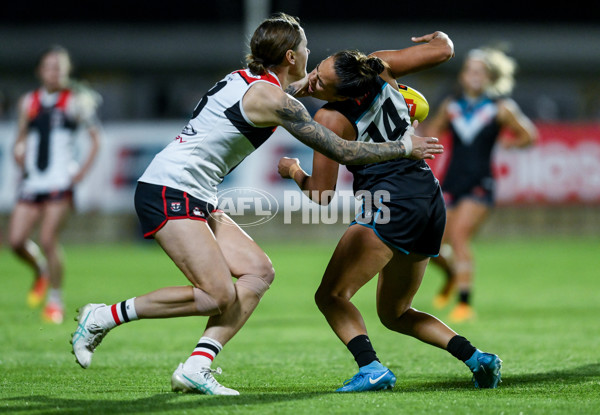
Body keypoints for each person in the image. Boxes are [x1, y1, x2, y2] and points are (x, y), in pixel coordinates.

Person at [70, 13, 443, 396]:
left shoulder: (252, 81)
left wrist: (320, 84)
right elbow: (342, 148)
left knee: (258, 272)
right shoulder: (271, 98)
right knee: (215, 294)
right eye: (305, 49)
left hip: (192, 191)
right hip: (171, 189)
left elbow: (292, 94)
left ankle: (198, 366)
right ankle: (103, 316)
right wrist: (403, 145)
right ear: (291, 56)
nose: (309, 53)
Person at [278, 31, 501, 392]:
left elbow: (321, 195)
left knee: (331, 296)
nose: (314, 80)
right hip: (428, 199)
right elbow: (443, 49)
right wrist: (439, 36)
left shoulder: (332, 118)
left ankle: (371, 369)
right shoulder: (379, 65)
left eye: (322, 81)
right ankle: (478, 359)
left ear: (342, 96)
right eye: (317, 69)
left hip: (386, 204)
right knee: (395, 313)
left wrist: (293, 172)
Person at [424, 47, 538, 323]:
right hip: (452, 180)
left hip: (481, 183)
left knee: (460, 237)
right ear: (463, 76)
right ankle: (452, 276)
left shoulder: (500, 108)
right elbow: (430, 133)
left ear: (490, 77)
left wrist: (510, 142)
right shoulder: (452, 107)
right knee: (433, 245)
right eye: (470, 70)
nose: (474, 76)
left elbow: (528, 136)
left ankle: (464, 303)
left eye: (481, 71)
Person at [8, 45, 101, 324]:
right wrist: (19, 151)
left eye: (59, 67)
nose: (54, 72)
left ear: (66, 71)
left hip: (60, 179)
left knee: (48, 239)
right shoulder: (29, 102)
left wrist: (81, 172)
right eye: (49, 67)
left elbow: (97, 139)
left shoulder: (75, 101)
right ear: (40, 71)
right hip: (34, 179)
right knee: (15, 241)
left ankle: (55, 300)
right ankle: (41, 271)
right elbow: (21, 136)